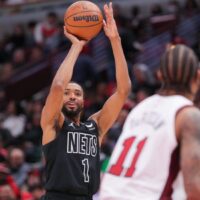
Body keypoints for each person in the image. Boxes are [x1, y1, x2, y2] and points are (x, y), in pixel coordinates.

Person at [40, 2, 131, 200]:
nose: (72, 95)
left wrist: (115, 40)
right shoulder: (54, 124)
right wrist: (76, 47)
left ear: (84, 101)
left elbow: (123, 90)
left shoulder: (95, 126)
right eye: (68, 93)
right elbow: (57, 86)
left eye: (77, 93)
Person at [100, 44, 200, 200]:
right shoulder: (188, 115)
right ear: (197, 77)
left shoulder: (139, 109)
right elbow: (195, 189)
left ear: (159, 75)